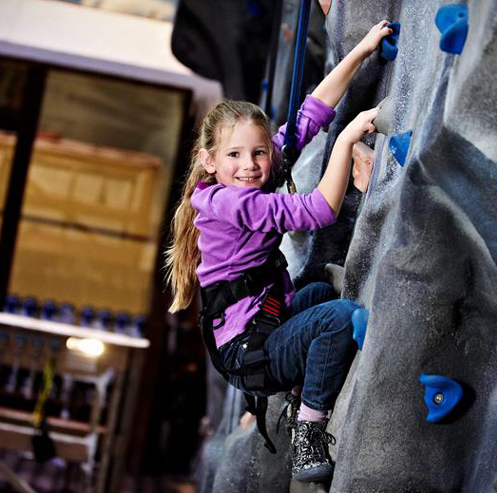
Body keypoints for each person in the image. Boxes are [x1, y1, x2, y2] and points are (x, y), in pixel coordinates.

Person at [165, 21, 392, 482]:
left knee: (318, 297)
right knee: (340, 317)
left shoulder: (247, 175)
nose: (249, 165)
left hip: (264, 323)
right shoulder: (230, 202)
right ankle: (308, 430)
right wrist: (347, 141)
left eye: (259, 153)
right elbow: (319, 210)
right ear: (209, 161)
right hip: (250, 351)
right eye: (234, 156)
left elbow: (312, 111)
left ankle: (299, 387)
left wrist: (362, 50)